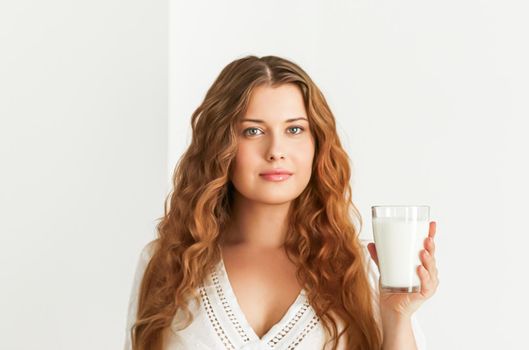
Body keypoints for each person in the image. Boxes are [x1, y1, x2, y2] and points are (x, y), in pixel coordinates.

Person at [123, 55, 439, 350]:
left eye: (294, 129)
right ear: (221, 145)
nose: (276, 150)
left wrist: (398, 316)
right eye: (253, 131)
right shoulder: (165, 264)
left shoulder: (365, 268)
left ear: (317, 144)